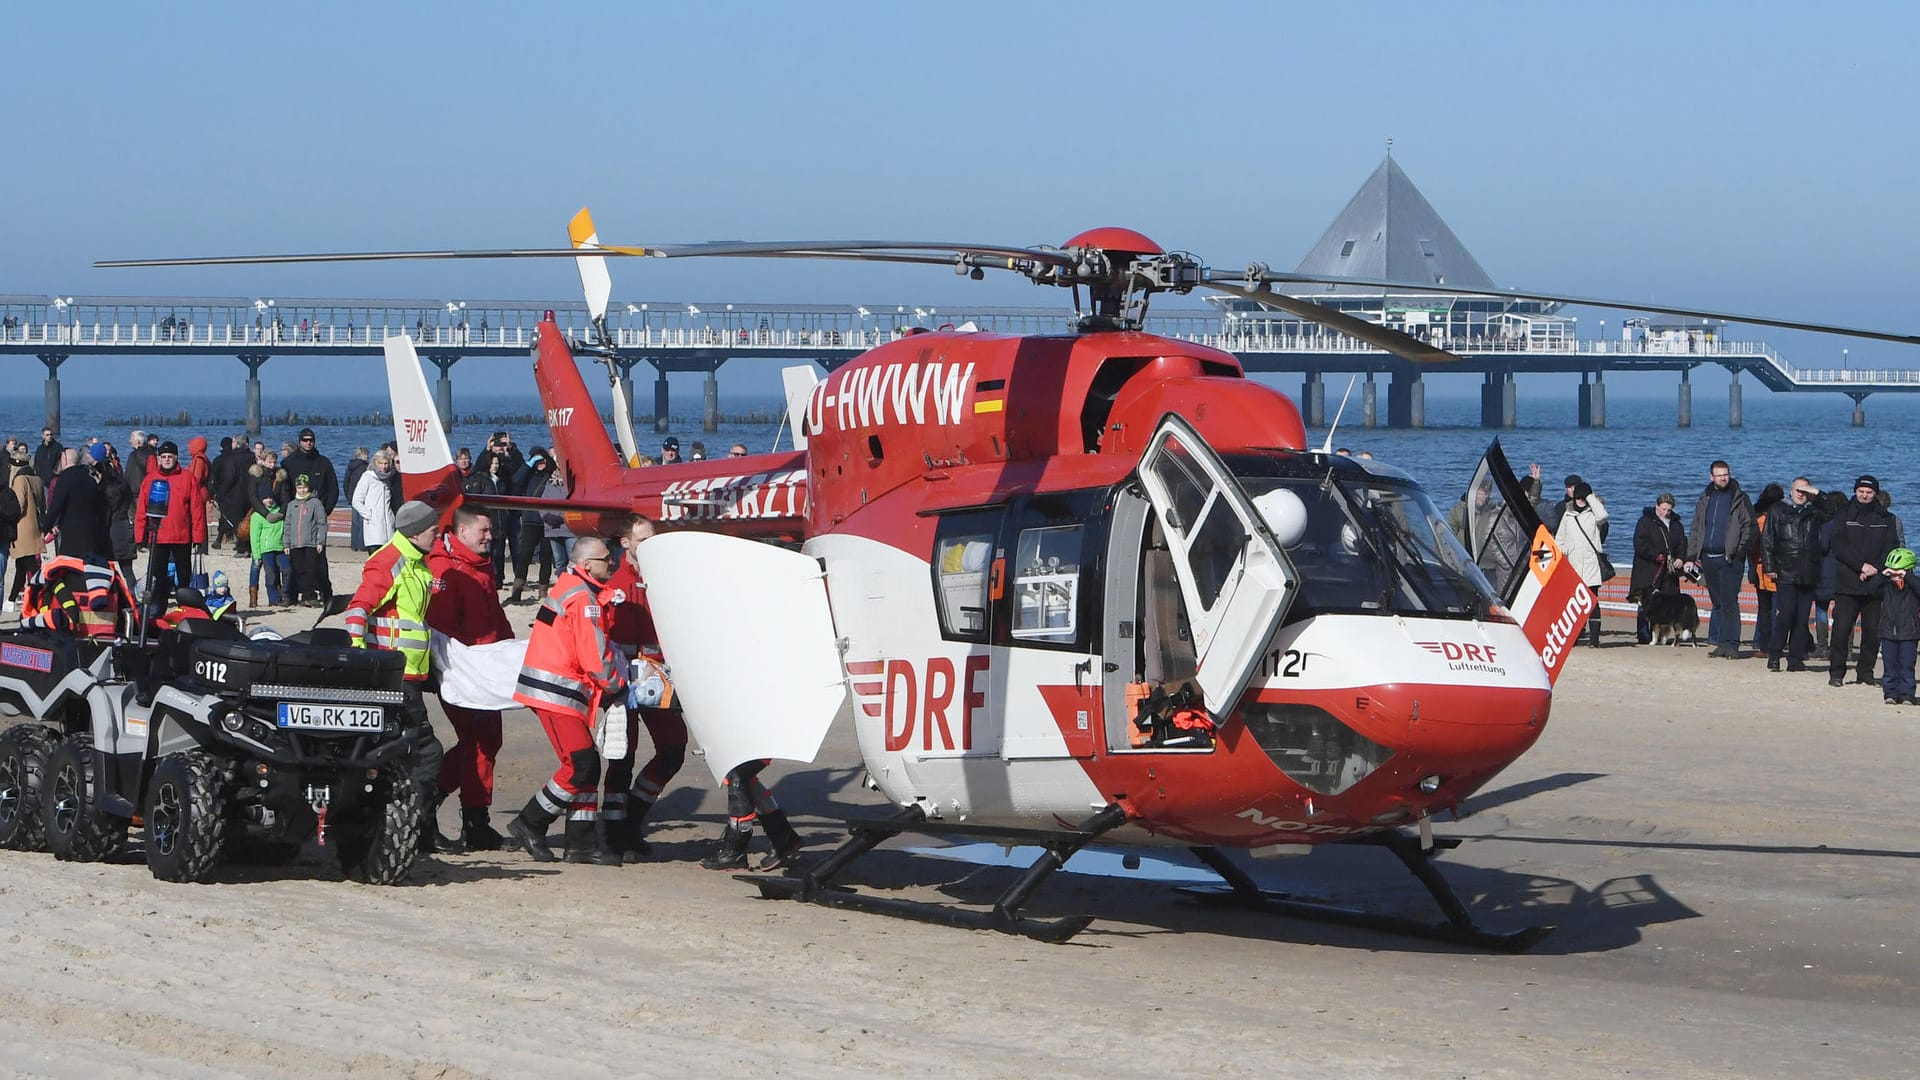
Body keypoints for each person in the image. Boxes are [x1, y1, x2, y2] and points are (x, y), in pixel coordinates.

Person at [506, 536, 629, 866]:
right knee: (581, 765)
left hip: (554, 689)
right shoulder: (582, 598)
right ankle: (531, 821)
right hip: (556, 690)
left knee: (586, 767)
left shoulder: (571, 588)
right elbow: (593, 654)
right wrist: (616, 685)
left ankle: (580, 843)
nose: (612, 563)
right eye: (606, 559)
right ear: (588, 564)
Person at [345, 499, 453, 855]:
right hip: (393, 675)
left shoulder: (415, 562)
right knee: (426, 752)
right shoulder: (392, 560)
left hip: (411, 673)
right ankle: (418, 829)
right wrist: (363, 657)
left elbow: (414, 619)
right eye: (434, 530)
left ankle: (413, 826)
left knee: (407, 753)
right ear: (417, 532)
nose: (438, 536)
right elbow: (358, 609)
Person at [597, 513, 691, 860]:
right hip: (625, 682)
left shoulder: (661, 576)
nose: (651, 545)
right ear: (626, 544)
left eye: (654, 538)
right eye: (644, 540)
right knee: (622, 756)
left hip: (658, 679)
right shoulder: (617, 583)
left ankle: (632, 819)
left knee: (673, 749)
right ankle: (612, 832)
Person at [426, 505, 514, 850]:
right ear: (462, 533)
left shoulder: (480, 568)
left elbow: (494, 615)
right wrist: (450, 673)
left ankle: (472, 819)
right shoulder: (446, 571)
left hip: (487, 669)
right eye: (484, 531)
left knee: (487, 740)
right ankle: (439, 808)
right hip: (462, 671)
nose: (490, 537)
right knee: (477, 741)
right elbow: (442, 630)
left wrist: (512, 653)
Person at [1828, 475, 1899, 688]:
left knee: (1872, 632)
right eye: (1861, 492)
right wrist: (1860, 566)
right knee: (1841, 631)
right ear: (1855, 492)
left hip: (1875, 584)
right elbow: (1839, 546)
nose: (1865, 495)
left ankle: (1865, 672)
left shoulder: (1887, 518)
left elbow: (1892, 547)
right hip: (1848, 583)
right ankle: (1837, 672)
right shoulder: (1843, 515)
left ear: (1875, 494)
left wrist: (1874, 568)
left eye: (1869, 492)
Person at [1684, 461, 1757, 659]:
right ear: (1711, 477)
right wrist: (1691, 557)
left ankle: (1732, 644)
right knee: (1717, 602)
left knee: (1729, 602)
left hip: (1730, 560)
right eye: (1719, 475)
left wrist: (1739, 552)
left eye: (1725, 474)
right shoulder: (1705, 498)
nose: (1723, 478)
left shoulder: (1740, 499)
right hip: (1708, 559)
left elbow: (1750, 528)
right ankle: (1721, 643)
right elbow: (1696, 528)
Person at [1760, 479, 1826, 672]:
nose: (1801, 494)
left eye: (1805, 491)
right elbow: (1767, 540)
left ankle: (1795, 659)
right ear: (1791, 490)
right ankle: (1775, 654)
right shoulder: (1778, 509)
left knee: (1802, 619)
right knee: (1786, 614)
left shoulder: (1815, 511)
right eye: (1798, 490)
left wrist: (1817, 493)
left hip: (1808, 573)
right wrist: (1769, 566)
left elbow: (1833, 510)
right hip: (1786, 571)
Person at [133, 441, 207, 601]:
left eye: (170, 457)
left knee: (184, 577)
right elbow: (141, 511)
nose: (167, 460)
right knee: (157, 577)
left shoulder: (188, 478)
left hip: (182, 536)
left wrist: (199, 537)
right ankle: (158, 608)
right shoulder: (150, 480)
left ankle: (185, 606)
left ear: (176, 457)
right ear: (159, 458)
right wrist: (139, 537)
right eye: (164, 457)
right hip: (158, 536)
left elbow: (197, 511)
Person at [1553, 481, 1610, 649]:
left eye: (1583, 497)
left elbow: (1603, 515)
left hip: (1591, 566)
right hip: (1573, 566)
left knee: (1592, 602)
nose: (1580, 500)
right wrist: (1567, 550)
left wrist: (1590, 496)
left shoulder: (1593, 515)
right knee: (1574, 604)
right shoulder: (1567, 516)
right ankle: (1574, 638)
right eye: (1578, 497)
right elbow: (1559, 541)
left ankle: (1594, 640)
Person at [1630, 492, 1689, 644]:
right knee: (1646, 604)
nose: (1666, 512)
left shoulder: (1676, 524)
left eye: (1669, 510)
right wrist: (1655, 555)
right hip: (1648, 569)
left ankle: (1664, 636)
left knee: (1668, 605)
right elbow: (1639, 544)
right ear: (1657, 506)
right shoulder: (1645, 522)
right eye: (1663, 509)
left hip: (1669, 572)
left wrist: (1681, 558)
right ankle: (1644, 635)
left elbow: (1683, 544)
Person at [43, 447, 111, 563]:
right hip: (91, 531)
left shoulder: (65, 478)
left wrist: (45, 528)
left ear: (64, 460)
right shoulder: (89, 478)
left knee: (70, 566)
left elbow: (56, 506)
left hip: (72, 532)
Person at [509, 449, 557, 604]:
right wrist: (529, 464)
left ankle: (543, 591)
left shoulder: (550, 475)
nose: (540, 464)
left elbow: (555, 468)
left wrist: (548, 459)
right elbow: (516, 480)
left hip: (547, 522)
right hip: (530, 520)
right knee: (525, 556)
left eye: (542, 461)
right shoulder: (529, 476)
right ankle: (517, 589)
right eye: (537, 461)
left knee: (545, 557)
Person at [91, 444, 138, 587]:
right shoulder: (121, 483)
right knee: (128, 571)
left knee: (104, 571)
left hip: (110, 532)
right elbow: (130, 504)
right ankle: (134, 600)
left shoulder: (104, 489)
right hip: (124, 528)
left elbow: (105, 513)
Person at [1876, 547, 1919, 705]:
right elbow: (1870, 589)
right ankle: (1890, 693)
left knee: (1907, 665)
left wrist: (1906, 577)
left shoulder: (1913, 587)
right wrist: (1882, 575)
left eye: (1898, 572)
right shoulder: (1886, 587)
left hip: (1909, 633)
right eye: (1892, 572)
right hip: (1887, 632)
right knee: (1889, 666)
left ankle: (1907, 694)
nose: (1895, 575)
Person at [6, 445, 45, 611]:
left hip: (22, 526)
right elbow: (43, 503)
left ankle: (46, 593)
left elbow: (19, 505)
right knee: (21, 566)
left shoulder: (20, 479)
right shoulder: (36, 478)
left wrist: (8, 516)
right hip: (34, 525)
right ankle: (10, 601)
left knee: (30, 565)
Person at [1749, 482, 1785, 659]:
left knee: (1764, 608)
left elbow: (1752, 544)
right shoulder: (1779, 516)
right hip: (1775, 568)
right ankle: (1773, 645)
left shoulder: (1756, 516)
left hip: (1758, 566)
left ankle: (1763, 645)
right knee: (1777, 609)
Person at [284, 474, 332, 606]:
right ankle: (304, 595)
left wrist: (320, 541)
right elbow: (287, 525)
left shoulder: (315, 503)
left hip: (311, 543)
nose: (302, 490)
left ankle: (311, 595)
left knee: (311, 570)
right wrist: (286, 543)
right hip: (295, 543)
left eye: (304, 487)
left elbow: (321, 523)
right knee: (299, 570)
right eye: (299, 487)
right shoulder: (291, 505)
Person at [277, 427, 340, 514]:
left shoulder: (324, 463)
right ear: (300, 442)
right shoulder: (288, 463)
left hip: (318, 510)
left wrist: (326, 510)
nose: (308, 442)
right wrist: (287, 509)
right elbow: (283, 490)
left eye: (311, 440)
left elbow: (333, 489)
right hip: (294, 510)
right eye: (305, 440)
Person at [352, 450, 398, 551]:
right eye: (380, 463)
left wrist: (392, 518)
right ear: (375, 463)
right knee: (374, 560)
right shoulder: (368, 477)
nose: (383, 466)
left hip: (389, 527)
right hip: (373, 527)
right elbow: (356, 501)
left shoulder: (389, 479)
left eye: (386, 463)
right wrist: (369, 515)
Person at [250, 492, 289, 607]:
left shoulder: (281, 513)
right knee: (271, 575)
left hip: (281, 548)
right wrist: (257, 555)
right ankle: (274, 599)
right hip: (266, 549)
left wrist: (287, 545)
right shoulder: (257, 515)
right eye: (266, 498)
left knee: (288, 571)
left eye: (271, 498)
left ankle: (285, 595)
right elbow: (255, 537)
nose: (269, 500)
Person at [343, 447, 372, 551]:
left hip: (352, 497)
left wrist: (348, 496)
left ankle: (354, 545)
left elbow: (346, 483)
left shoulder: (350, 466)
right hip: (363, 498)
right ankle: (362, 545)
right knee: (362, 521)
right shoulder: (365, 467)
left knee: (355, 522)